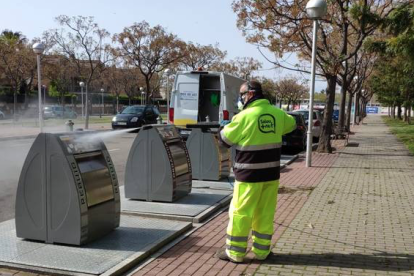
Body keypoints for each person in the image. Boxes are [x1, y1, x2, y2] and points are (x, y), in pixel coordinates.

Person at [215, 80, 296, 263]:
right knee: (265, 213)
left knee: (241, 212)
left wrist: (224, 126)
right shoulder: (277, 114)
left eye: (242, 95)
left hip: (248, 177)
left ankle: (235, 253)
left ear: (250, 94)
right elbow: (291, 124)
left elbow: (224, 140)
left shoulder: (244, 117)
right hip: (271, 176)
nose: (241, 99)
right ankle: (262, 252)